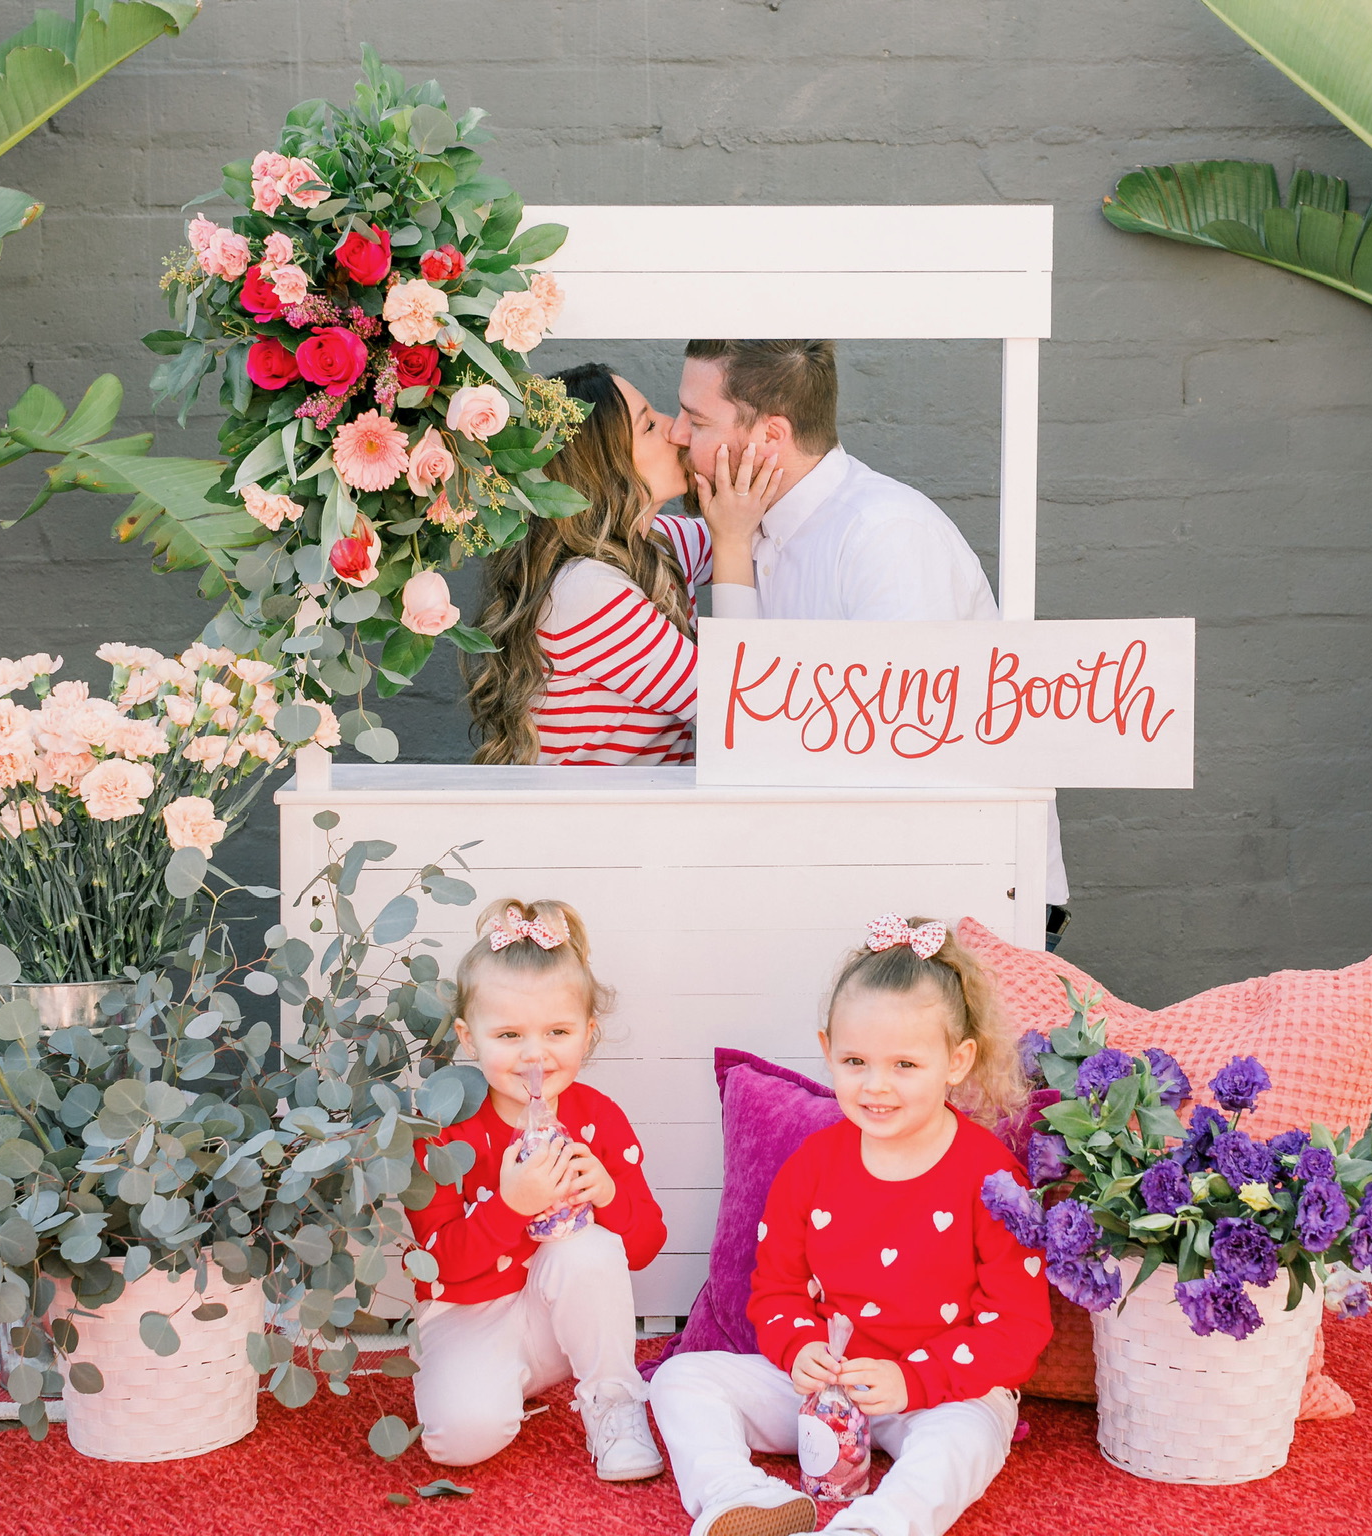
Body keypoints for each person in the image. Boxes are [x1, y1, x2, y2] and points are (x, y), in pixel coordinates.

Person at [648, 914, 1054, 1536]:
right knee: (683, 1376)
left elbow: (1020, 1327)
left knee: (966, 1438)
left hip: (941, 1392)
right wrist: (799, 1347)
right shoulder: (812, 1166)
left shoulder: (991, 1177)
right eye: (856, 1060)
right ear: (826, 1049)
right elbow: (776, 1288)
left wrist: (914, 1378)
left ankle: (873, 1527)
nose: (876, 1086)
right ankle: (737, 1496)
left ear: (957, 1060)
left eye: (905, 1065)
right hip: (826, 1385)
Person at [671, 340, 1071, 948]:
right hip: (861, 885)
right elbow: (745, 730)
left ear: (769, 436)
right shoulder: (750, 525)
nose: (677, 435)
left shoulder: (883, 537)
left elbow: (906, 753)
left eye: (697, 421)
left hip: (966, 900)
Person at [405, 899, 669, 1481]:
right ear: (468, 1038)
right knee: (456, 1442)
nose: (534, 1053)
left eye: (557, 1031)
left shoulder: (597, 1117)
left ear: (587, 1033)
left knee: (589, 1247)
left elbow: (645, 1247)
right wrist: (509, 1207)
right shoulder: (444, 1131)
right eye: (508, 1033)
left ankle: (613, 1401)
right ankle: (496, 1382)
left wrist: (605, 1194)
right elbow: (433, 1269)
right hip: (467, 1311)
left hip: (560, 1315)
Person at [465, 363, 778, 766]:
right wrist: (732, 540)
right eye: (648, 425)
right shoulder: (587, 592)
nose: (675, 430)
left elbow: (761, 534)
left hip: (643, 817)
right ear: (604, 467)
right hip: (597, 824)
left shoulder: (655, 543)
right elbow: (738, 712)